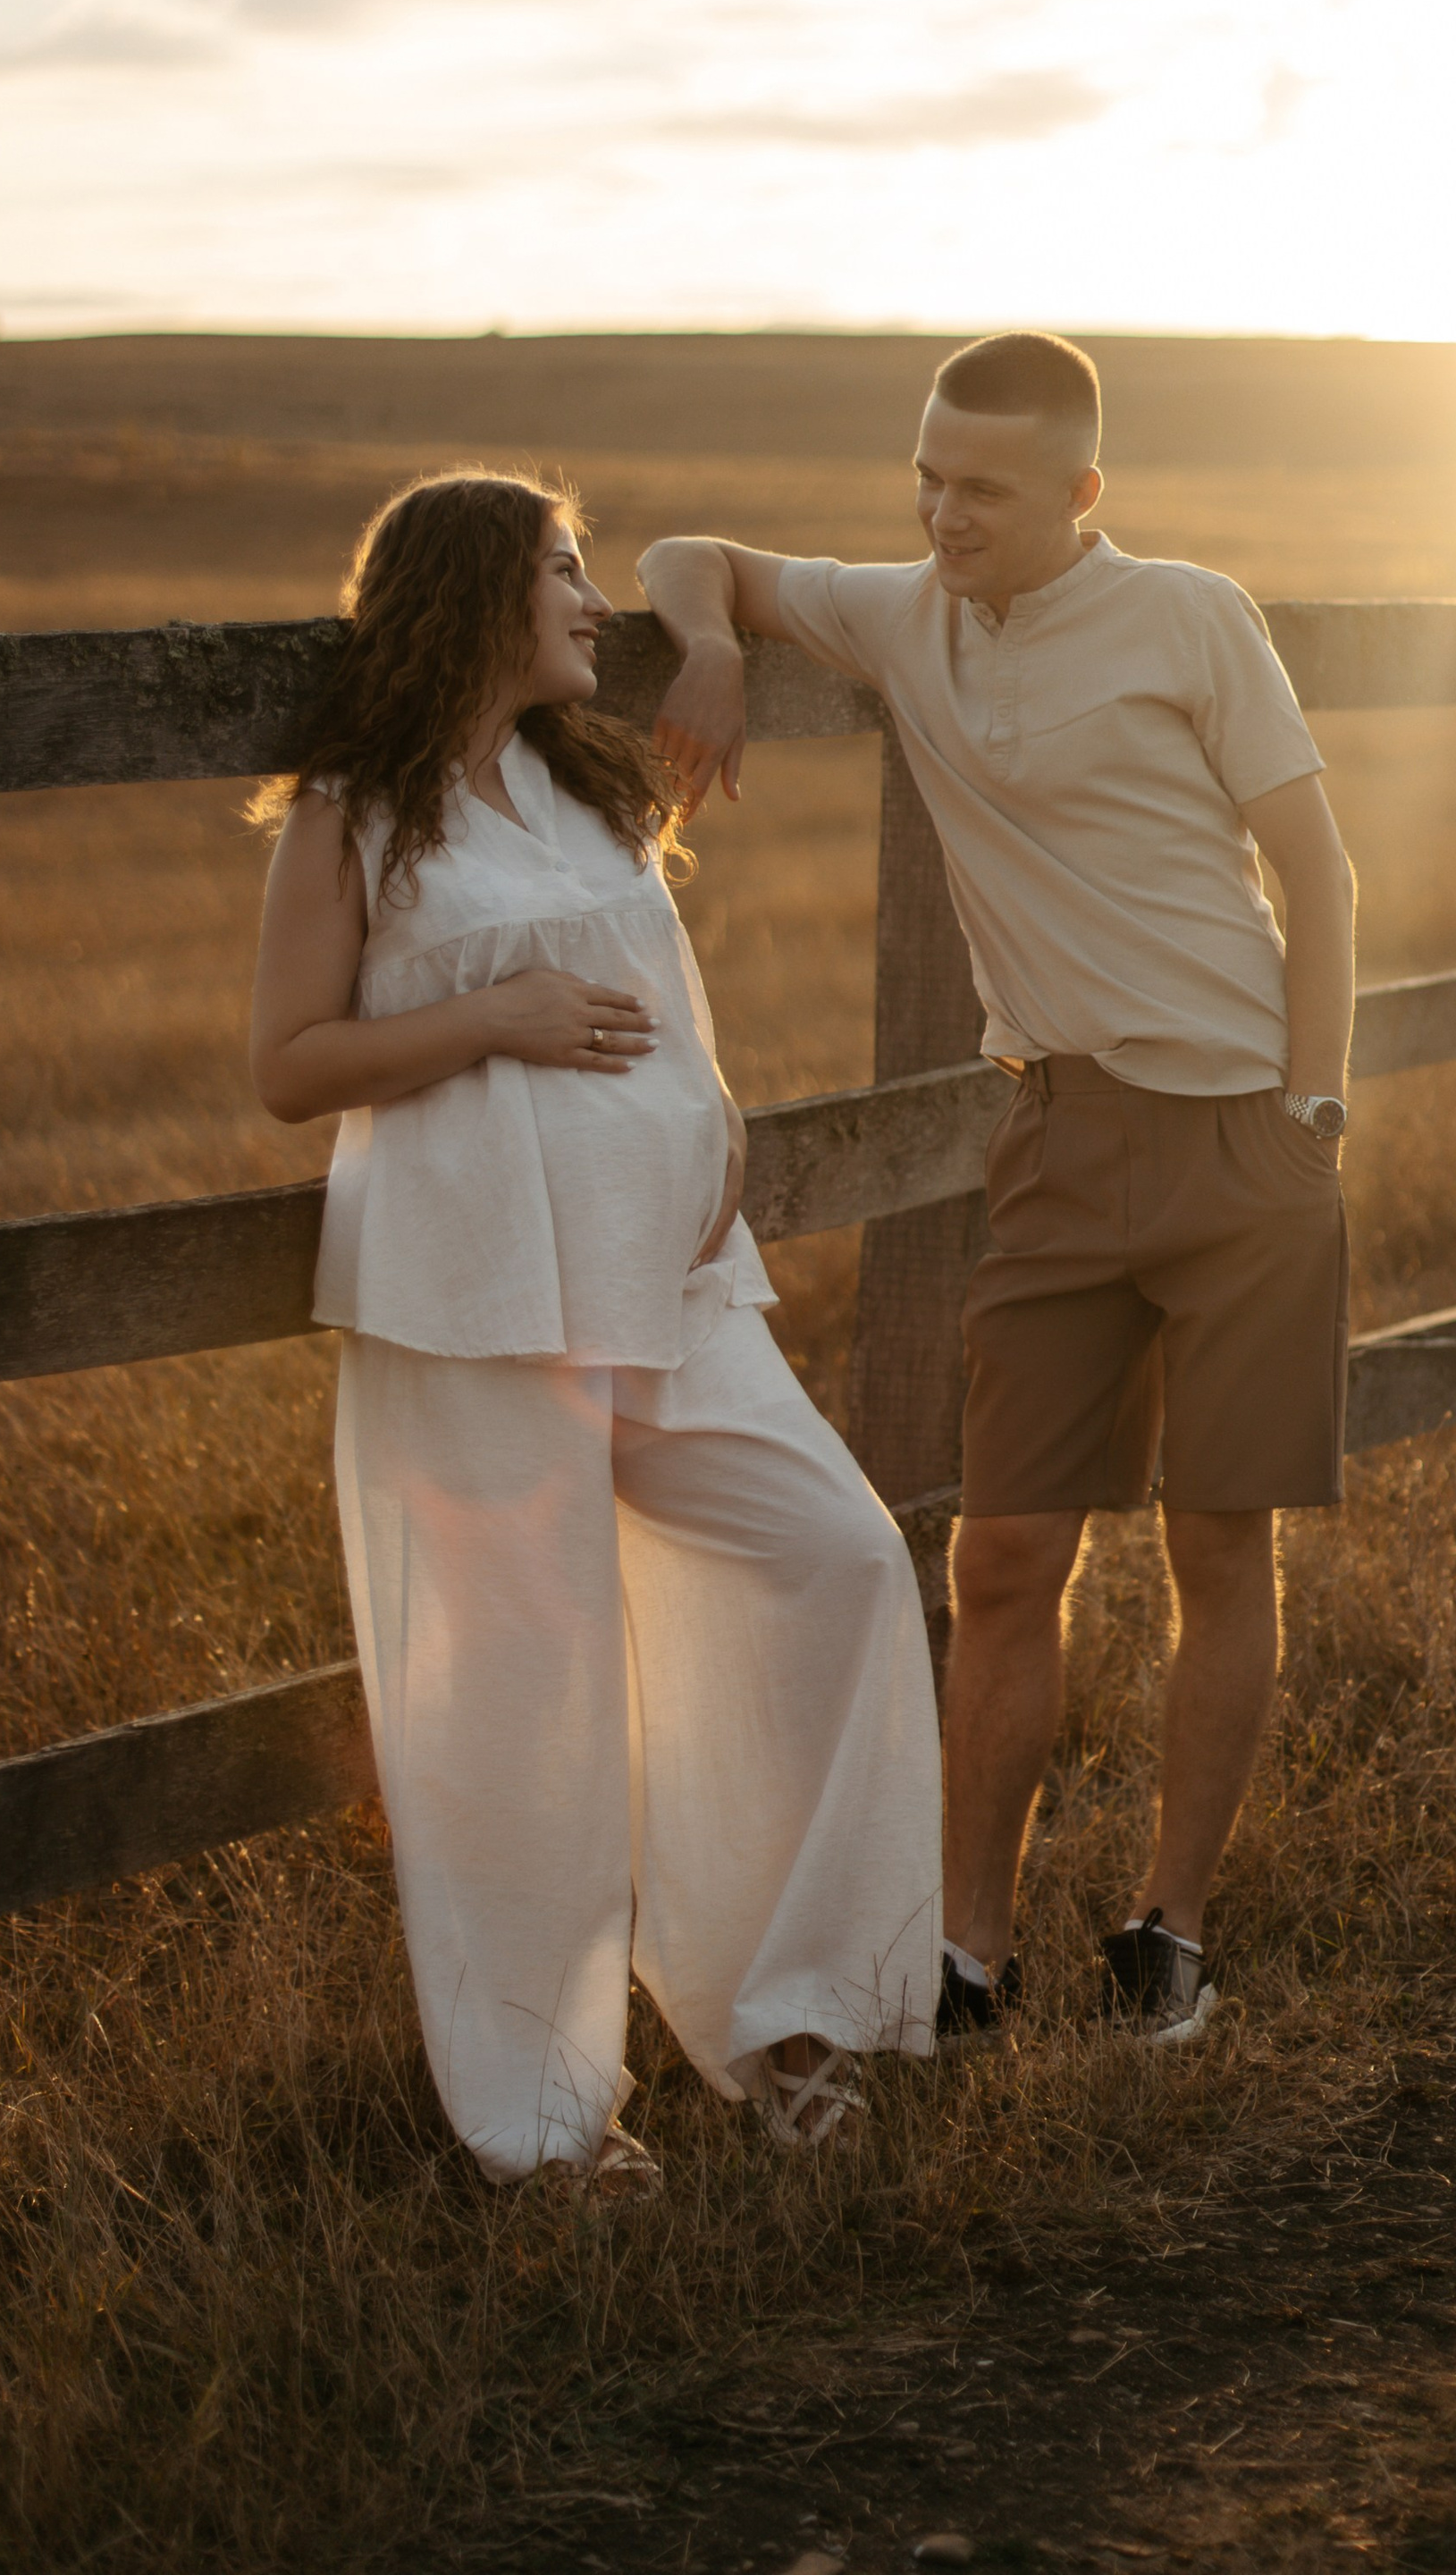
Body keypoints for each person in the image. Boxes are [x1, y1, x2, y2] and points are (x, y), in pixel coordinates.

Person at [639, 334, 1355, 2047]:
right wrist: (713, 646)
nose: (943, 515)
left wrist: (1313, 1114)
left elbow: (1320, 871)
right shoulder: (906, 615)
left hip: (1244, 1135)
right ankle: (966, 1958)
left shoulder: (1192, 616)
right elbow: (688, 553)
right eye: (927, 478)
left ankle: (1171, 1937)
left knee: (1218, 1543)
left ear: (1083, 494)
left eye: (983, 490)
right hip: (1054, 1138)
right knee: (1007, 1550)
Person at [248, 470, 940, 2192]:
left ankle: (796, 2012)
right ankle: (548, 2122)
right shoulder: (358, 814)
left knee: (843, 1560)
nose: (589, 599)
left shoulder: (585, 786)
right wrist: (498, 1018)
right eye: (561, 569)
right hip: (476, 1296)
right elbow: (291, 1067)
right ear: (476, 594)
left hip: (671, 1286)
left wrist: (722, 1126)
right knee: (522, 1710)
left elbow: (666, 1002)